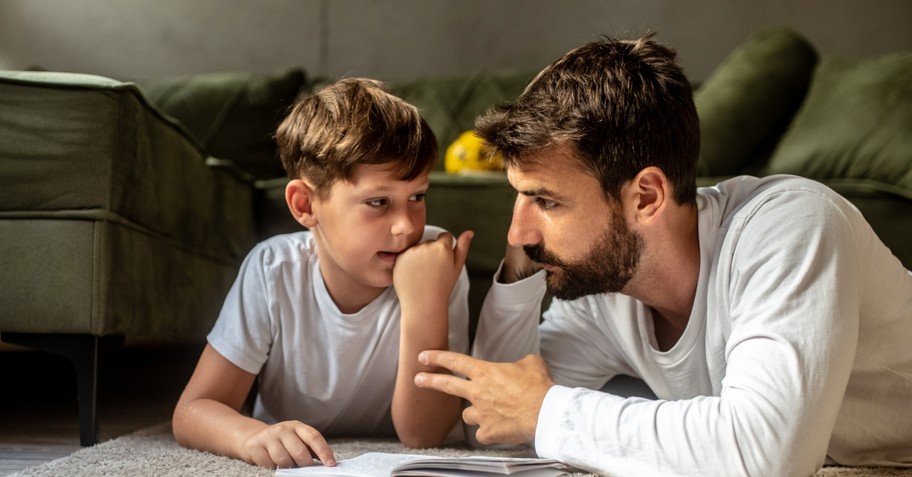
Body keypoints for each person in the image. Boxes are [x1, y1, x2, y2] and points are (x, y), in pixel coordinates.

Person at [413, 34, 912, 476]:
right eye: (518, 196)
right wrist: (520, 272)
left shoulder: (792, 226)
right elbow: (494, 420)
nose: (518, 230)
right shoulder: (606, 289)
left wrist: (549, 412)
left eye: (547, 201)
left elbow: (766, 455)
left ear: (646, 196)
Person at [172, 77, 474, 469]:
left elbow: (423, 436)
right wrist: (251, 437)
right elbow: (193, 409)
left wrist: (426, 304)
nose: (405, 226)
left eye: (417, 196)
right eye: (378, 202)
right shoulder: (273, 270)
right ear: (305, 205)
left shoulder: (436, 265)